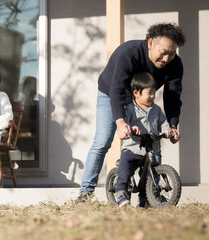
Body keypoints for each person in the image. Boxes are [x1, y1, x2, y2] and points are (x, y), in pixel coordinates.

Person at [76, 22, 185, 203]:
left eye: (172, 53)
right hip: (111, 92)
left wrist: (173, 126)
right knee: (102, 141)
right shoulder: (129, 53)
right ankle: (85, 193)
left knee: (151, 141)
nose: (166, 58)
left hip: (141, 101)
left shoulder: (175, 64)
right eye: (163, 51)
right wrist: (120, 121)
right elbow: (117, 88)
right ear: (150, 43)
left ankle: (151, 196)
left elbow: (173, 96)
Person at [115, 72, 175, 207]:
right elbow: (125, 123)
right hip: (132, 147)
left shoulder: (156, 110)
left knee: (149, 177)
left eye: (154, 93)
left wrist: (167, 130)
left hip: (150, 149)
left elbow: (163, 122)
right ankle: (120, 194)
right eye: (149, 93)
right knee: (124, 172)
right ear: (136, 93)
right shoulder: (130, 109)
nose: (153, 96)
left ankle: (144, 201)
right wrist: (131, 128)